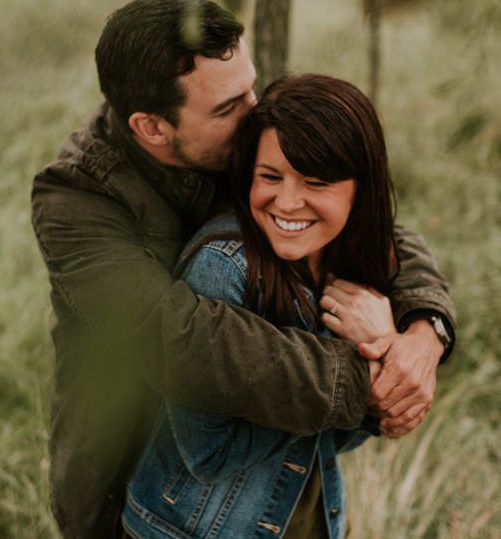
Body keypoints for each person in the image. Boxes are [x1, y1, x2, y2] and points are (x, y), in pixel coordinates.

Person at [30, 0, 456, 538]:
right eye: (229, 107)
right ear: (153, 128)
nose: (254, 111)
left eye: (250, 87)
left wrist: (424, 333)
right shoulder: (75, 201)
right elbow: (180, 340)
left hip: (273, 490)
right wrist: (366, 374)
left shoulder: (233, 141)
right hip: (134, 490)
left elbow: (370, 225)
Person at [123, 73, 401, 539]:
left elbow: (343, 436)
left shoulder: (348, 262)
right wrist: (363, 373)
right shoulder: (221, 269)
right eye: (270, 176)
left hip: (311, 520)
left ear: (360, 188)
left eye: (315, 182)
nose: (287, 202)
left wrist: (383, 356)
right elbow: (207, 453)